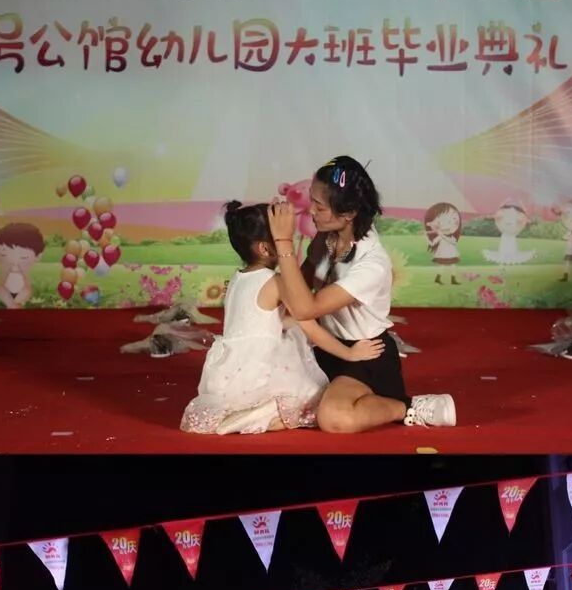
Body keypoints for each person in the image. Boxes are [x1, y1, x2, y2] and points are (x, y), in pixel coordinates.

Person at [276, 160, 456, 432]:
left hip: (364, 354)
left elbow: (305, 308)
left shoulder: (372, 263)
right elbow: (299, 285)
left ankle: (407, 407)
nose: (310, 210)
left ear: (349, 213)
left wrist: (283, 243)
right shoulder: (327, 237)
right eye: (311, 200)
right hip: (325, 345)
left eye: (319, 207)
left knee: (334, 418)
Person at [180, 199, 382, 434]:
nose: (290, 243)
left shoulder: (237, 279)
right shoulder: (276, 281)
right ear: (265, 249)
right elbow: (310, 327)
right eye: (283, 239)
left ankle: (253, 411)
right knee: (313, 397)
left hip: (230, 375)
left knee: (292, 333)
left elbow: (259, 322)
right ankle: (267, 415)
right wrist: (350, 353)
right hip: (260, 370)